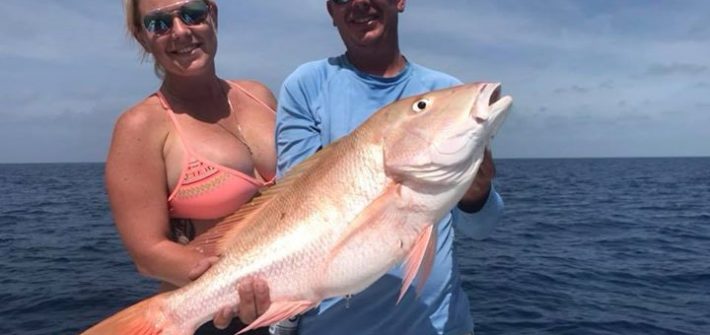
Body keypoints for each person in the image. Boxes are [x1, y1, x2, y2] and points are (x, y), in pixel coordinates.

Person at [273, 0, 504, 334]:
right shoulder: (306, 86)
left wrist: (477, 194)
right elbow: (292, 209)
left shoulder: (446, 92)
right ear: (331, 11)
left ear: (400, 2)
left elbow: (481, 228)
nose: (358, 4)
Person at [106, 0, 274, 333]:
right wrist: (234, 285)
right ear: (142, 37)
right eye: (159, 24)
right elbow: (148, 252)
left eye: (192, 14)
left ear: (213, 14)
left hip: (294, 302)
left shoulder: (259, 95)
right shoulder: (140, 126)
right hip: (215, 317)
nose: (181, 32)